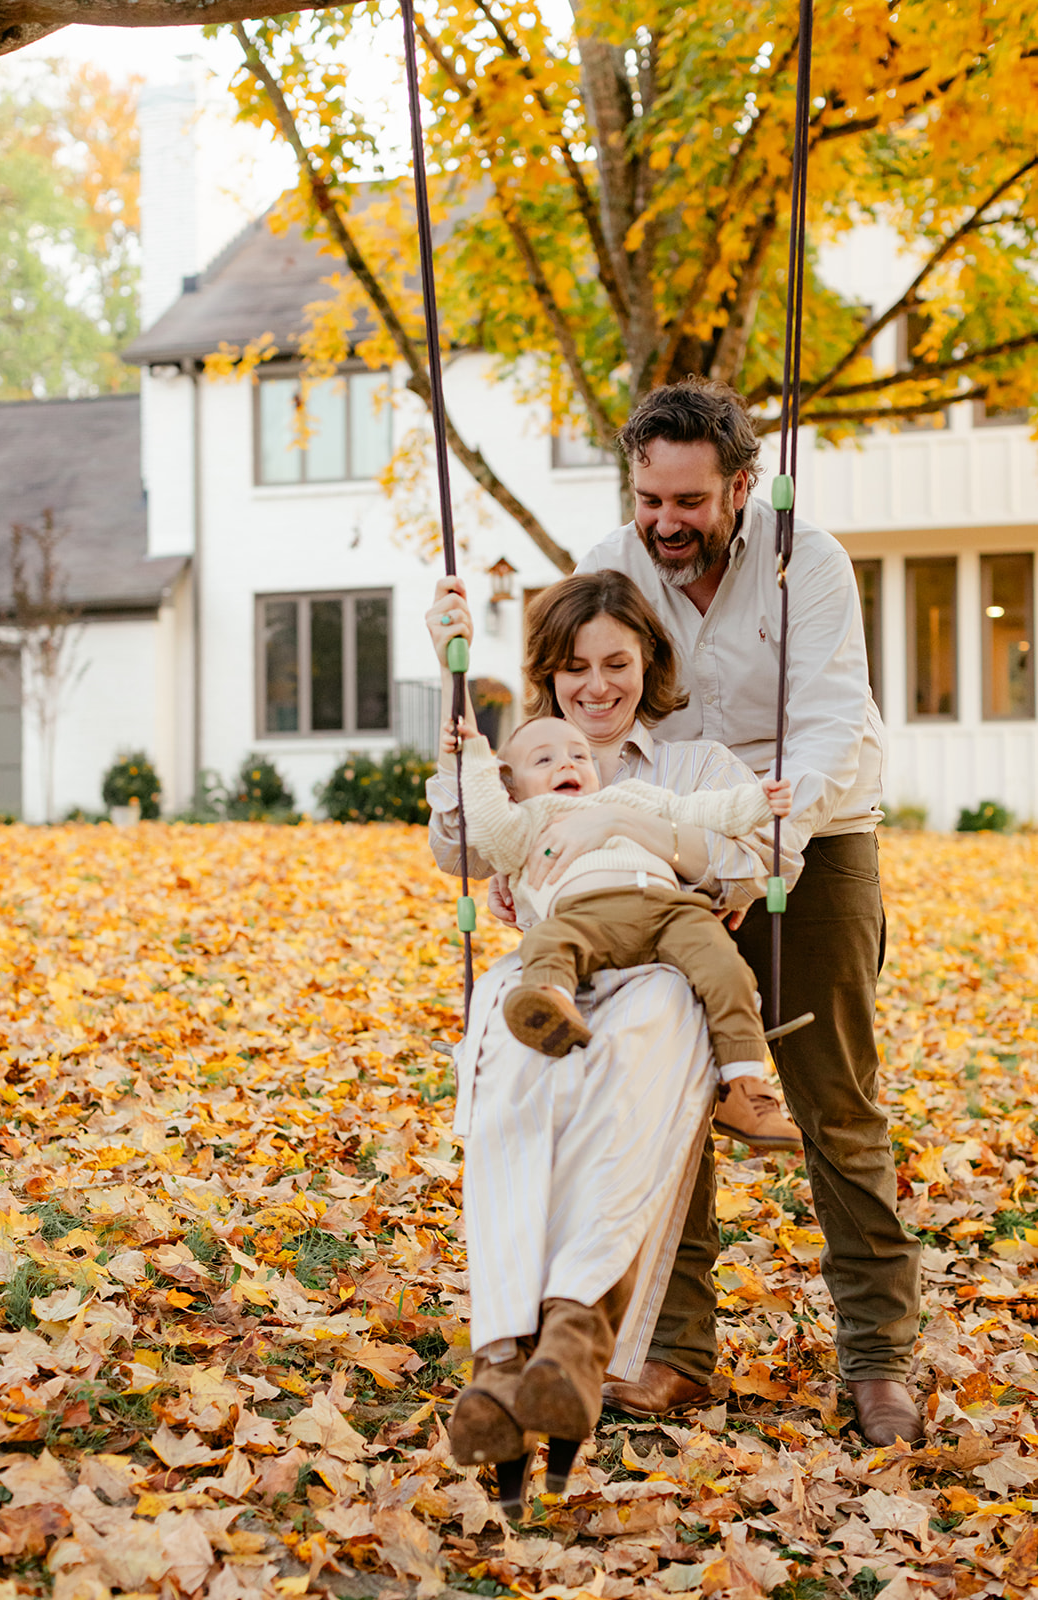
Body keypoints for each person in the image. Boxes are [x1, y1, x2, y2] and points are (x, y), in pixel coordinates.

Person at [574, 376, 923, 1447]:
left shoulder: (803, 559)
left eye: (688, 501)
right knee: (669, 1097)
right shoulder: (614, 564)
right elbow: (583, 703)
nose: (665, 524)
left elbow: (822, 732)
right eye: (649, 500)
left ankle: (876, 1356)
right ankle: (676, 1349)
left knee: (836, 1102)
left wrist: (751, 857)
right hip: (671, 846)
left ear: (739, 483)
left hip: (813, 843)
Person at [425, 570, 803, 1510]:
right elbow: (460, 843)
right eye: (574, 668)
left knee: (628, 1075)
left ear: (648, 664)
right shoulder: (519, 766)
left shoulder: (692, 766)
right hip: (556, 972)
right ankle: (508, 1349)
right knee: (514, 1084)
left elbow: (758, 854)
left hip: (660, 976)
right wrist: (455, 694)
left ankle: (572, 1329)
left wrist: (622, 832)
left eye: (617, 664)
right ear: (548, 675)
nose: (596, 687)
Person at [445, 713, 793, 1074]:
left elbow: (698, 810)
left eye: (579, 756)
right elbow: (487, 822)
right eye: (544, 759)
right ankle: (550, 1005)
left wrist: (757, 801)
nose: (567, 762)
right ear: (512, 789)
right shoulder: (525, 823)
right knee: (547, 942)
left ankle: (743, 1080)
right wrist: (473, 756)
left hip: (669, 911)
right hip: (583, 917)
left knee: (722, 959)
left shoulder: (628, 797)